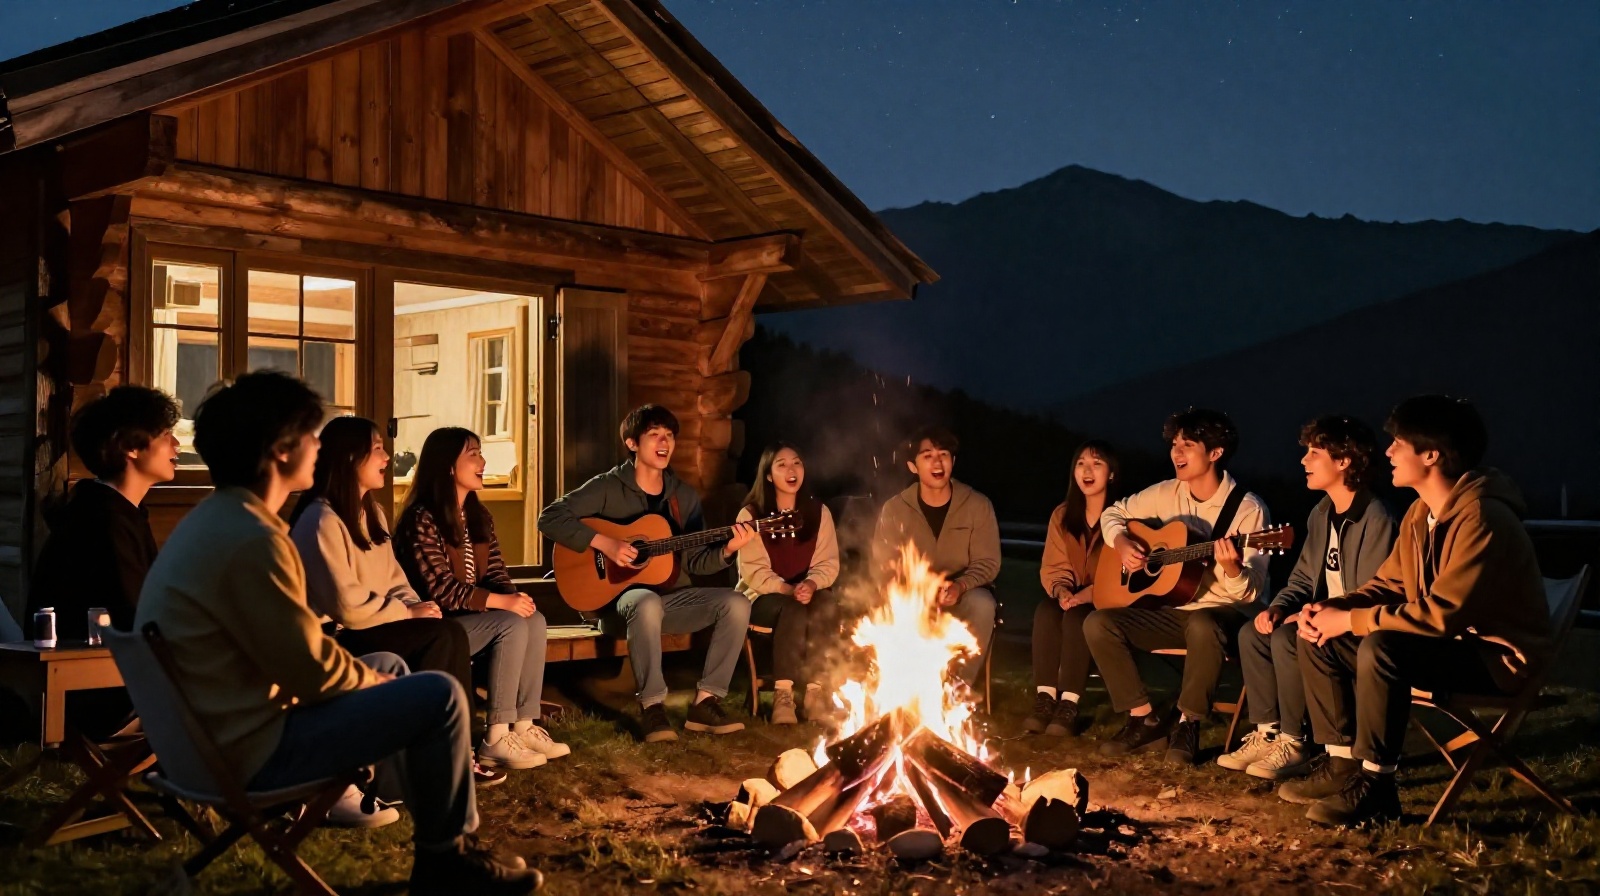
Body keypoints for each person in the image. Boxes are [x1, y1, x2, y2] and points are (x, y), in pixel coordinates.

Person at [134, 371, 538, 894]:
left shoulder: (211, 522)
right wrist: (385, 693)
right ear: (281, 450)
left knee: (392, 667)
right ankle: (448, 860)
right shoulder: (255, 538)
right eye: (311, 435)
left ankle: (404, 804)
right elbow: (311, 670)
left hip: (201, 744)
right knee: (435, 694)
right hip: (249, 753)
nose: (319, 447)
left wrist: (381, 680)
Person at [1290, 396, 1551, 826]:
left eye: (1398, 443)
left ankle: (1378, 787)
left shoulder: (1482, 518)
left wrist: (1352, 620)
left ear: (1431, 454)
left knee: (1384, 646)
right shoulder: (1420, 514)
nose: (1387, 452)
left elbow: (1442, 613)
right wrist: (1334, 607)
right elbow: (1388, 584)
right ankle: (1344, 766)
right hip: (1447, 647)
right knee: (1321, 638)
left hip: (1496, 660)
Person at [289, 416, 516, 792]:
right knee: (442, 638)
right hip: (336, 637)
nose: (386, 455)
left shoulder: (370, 513)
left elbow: (395, 578)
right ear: (349, 458)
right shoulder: (321, 519)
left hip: (374, 625)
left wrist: (418, 606)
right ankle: (446, 753)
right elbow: (345, 603)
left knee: (442, 631)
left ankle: (452, 750)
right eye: (376, 448)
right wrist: (407, 613)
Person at [537, 404, 755, 743]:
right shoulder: (607, 486)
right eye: (655, 434)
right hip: (617, 607)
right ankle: (653, 707)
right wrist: (605, 544)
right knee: (646, 603)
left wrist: (728, 549)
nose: (664, 442)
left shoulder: (683, 496)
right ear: (632, 443)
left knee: (737, 603)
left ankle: (706, 702)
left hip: (673, 600)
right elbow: (549, 517)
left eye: (669, 436)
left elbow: (697, 562)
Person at [1085, 408, 1271, 765]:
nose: (1176, 453)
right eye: (1174, 444)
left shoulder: (1249, 510)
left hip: (1230, 617)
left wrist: (1231, 568)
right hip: (1175, 612)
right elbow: (1114, 513)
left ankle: (1188, 723)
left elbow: (1251, 592)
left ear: (1215, 453)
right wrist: (1121, 542)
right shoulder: (1167, 493)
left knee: (1204, 624)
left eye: (1188, 445)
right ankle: (1144, 718)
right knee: (1099, 623)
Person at [1216, 416, 1396, 781]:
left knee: (1287, 636)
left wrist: (1311, 615)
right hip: (1319, 615)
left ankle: (1296, 741)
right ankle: (1268, 732)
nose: (1303, 461)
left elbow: (1372, 590)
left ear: (1344, 461)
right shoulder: (1321, 513)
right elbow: (1301, 576)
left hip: (1351, 623)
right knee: (1256, 630)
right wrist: (1281, 607)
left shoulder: (1375, 517)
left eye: (1314, 452)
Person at [396, 427, 567, 770]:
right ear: (447, 466)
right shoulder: (423, 518)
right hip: (438, 625)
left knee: (532, 619)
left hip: (475, 618)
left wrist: (513, 596)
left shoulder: (479, 516)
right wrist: (502, 604)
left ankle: (524, 724)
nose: (482, 462)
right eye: (472, 454)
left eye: (480, 453)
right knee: (509, 624)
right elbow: (440, 589)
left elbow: (496, 572)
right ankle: (495, 735)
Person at [26, 386, 179, 740]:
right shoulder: (102, 521)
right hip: (103, 696)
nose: (177, 446)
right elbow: (134, 617)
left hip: (118, 682)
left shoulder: (116, 512)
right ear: (129, 446)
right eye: (165, 436)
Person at [872, 426, 1001, 691]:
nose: (937, 462)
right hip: (913, 595)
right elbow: (883, 563)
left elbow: (988, 562)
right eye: (928, 455)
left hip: (964, 591)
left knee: (983, 604)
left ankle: (958, 690)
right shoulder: (895, 509)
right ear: (912, 466)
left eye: (944, 454)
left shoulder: (977, 505)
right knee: (888, 603)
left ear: (953, 462)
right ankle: (909, 690)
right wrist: (919, 589)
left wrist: (960, 586)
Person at [735, 442, 841, 725]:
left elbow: (828, 561)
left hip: (807, 589)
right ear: (768, 475)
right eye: (781, 465)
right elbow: (753, 570)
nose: (791, 470)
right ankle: (783, 695)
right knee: (791, 609)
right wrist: (787, 588)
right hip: (765, 596)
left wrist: (811, 583)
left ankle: (816, 692)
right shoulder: (751, 515)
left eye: (797, 463)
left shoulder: (819, 513)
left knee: (827, 604)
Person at [1026, 440, 1123, 737]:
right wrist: (1061, 591)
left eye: (1096, 463)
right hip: (1072, 593)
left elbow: (1119, 576)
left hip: (1110, 598)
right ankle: (1045, 698)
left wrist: (1086, 596)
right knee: (1046, 610)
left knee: (1078, 617)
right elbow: (1054, 565)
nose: (1087, 470)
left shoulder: (1122, 516)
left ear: (1111, 474)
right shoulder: (1063, 515)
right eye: (1081, 463)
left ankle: (1069, 703)